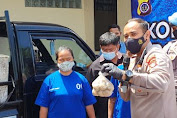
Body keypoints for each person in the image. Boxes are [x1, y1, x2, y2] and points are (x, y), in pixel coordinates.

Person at [101, 18, 177, 118]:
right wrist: (122, 79)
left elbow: (161, 82)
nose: (129, 39)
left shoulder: (156, 55)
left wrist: (126, 76)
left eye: (133, 34)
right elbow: (126, 96)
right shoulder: (133, 60)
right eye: (126, 36)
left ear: (147, 35)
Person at [35, 46, 96, 118]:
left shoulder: (81, 79)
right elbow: (44, 107)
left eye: (68, 59)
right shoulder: (49, 80)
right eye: (62, 60)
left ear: (73, 59)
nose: (65, 62)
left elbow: (89, 104)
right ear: (57, 61)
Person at [86, 32, 131, 118]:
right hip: (102, 111)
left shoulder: (127, 62)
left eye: (110, 50)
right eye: (104, 50)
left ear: (118, 46)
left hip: (124, 110)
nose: (107, 52)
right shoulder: (95, 67)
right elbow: (89, 93)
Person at [163, 12, 177, 101]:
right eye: (173, 29)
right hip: (173, 90)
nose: (174, 31)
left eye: (175, 28)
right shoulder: (170, 47)